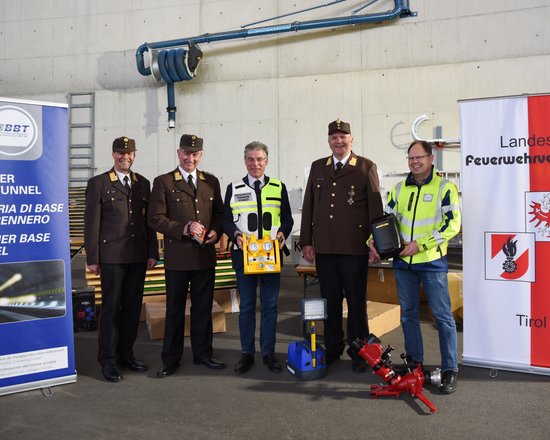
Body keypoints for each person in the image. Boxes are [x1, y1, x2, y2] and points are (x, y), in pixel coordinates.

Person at [373, 140, 461, 394]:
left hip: (431, 261)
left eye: (419, 157)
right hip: (403, 263)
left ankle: (449, 369)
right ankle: (414, 364)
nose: (414, 162)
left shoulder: (446, 188)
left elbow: (452, 225)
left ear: (431, 158)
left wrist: (421, 245)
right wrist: (373, 241)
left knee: (443, 317)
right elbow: (386, 220)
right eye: (410, 158)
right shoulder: (399, 189)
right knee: (408, 315)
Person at [300, 119, 383, 373]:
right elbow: (309, 206)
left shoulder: (365, 167)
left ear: (351, 140)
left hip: (354, 248)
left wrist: (376, 243)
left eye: (343, 137)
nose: (338, 141)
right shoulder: (318, 167)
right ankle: (334, 347)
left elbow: (375, 208)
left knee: (357, 303)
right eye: (334, 137)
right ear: (328, 141)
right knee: (330, 301)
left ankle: (360, 352)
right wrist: (306, 241)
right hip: (324, 248)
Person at [148, 134, 225, 378]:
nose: (190, 158)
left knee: (203, 308)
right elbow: (155, 218)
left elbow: (220, 213)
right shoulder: (163, 182)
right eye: (186, 153)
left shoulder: (210, 181)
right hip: (178, 259)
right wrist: (184, 228)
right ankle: (171, 358)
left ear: (200, 155)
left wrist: (215, 230)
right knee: (175, 310)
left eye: (195, 154)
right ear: (178, 153)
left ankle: (204, 354)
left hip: (204, 258)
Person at [84, 136, 159, 383]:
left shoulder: (142, 184)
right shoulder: (99, 183)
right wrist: (92, 258)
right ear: (113, 154)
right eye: (120, 153)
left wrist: (152, 253)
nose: (124, 157)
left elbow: (149, 222)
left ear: (134, 155)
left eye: (129, 153)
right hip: (112, 257)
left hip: (137, 256)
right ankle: (108, 360)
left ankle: (126, 354)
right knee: (111, 308)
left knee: (132, 309)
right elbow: (91, 224)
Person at [223, 141, 294, 375]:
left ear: (267, 161)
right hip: (244, 256)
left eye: (260, 159)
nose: (255, 164)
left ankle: (268, 353)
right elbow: (225, 220)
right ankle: (246, 353)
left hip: (270, 257)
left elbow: (287, 219)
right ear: (245, 161)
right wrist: (235, 234)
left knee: (270, 306)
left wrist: (283, 232)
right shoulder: (233, 188)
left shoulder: (278, 186)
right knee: (247, 307)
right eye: (251, 159)